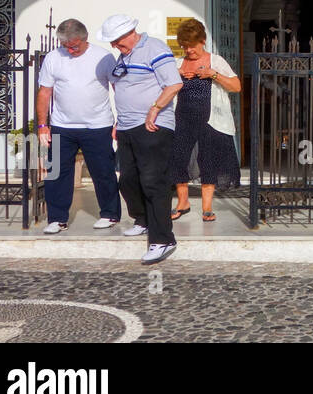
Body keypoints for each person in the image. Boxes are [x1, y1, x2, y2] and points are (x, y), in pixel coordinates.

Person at [102, 13, 181, 265]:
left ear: (130, 33)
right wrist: (119, 119)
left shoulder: (154, 48)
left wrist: (155, 109)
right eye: (112, 42)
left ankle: (163, 239)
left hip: (152, 126)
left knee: (153, 182)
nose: (114, 46)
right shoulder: (125, 54)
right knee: (127, 180)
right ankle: (143, 220)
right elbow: (124, 88)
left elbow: (174, 84)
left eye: (116, 40)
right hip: (127, 126)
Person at [35, 19, 121, 234]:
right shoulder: (54, 58)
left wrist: (120, 120)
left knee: (103, 171)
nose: (70, 50)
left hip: (98, 124)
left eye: (74, 46)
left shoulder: (103, 57)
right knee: (57, 172)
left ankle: (110, 214)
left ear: (85, 38)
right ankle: (57, 219)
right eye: (66, 46)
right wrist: (43, 125)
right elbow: (45, 92)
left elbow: (118, 88)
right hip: (62, 125)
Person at [169, 18, 241, 223]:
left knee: (208, 161)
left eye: (192, 45)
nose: (189, 50)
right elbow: (163, 87)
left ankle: (207, 207)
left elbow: (236, 86)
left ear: (202, 41)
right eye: (185, 46)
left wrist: (213, 74)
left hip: (210, 120)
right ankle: (183, 203)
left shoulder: (215, 61)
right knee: (178, 159)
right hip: (182, 119)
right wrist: (177, 74)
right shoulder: (177, 63)